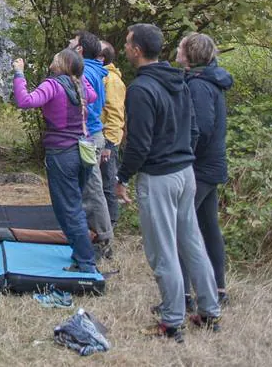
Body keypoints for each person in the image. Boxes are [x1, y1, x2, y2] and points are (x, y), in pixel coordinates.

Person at [116, 24, 222, 342]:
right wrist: (183, 155)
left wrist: (122, 177)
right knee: (191, 243)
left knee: (163, 250)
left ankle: (172, 321)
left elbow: (138, 144)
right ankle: (209, 312)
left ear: (137, 50)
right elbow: (192, 129)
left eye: (127, 43)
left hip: (160, 177)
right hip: (186, 173)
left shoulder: (141, 89)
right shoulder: (180, 81)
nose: (124, 47)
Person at [11, 49, 100, 274]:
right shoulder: (80, 86)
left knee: (68, 210)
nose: (53, 58)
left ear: (62, 64)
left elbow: (25, 101)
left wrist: (19, 74)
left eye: (56, 57)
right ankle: (81, 253)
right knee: (75, 205)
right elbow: (93, 96)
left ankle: (86, 262)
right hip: (85, 151)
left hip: (62, 153)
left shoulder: (53, 85)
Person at [176, 32, 232, 306]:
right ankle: (218, 290)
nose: (176, 50)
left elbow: (203, 128)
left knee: (181, 228)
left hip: (200, 167)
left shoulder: (198, 85)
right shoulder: (209, 80)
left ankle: (183, 296)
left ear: (190, 54)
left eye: (180, 47)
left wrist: (183, 154)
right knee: (209, 227)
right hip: (211, 164)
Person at [71, 31, 115, 260]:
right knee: (89, 187)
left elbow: (82, 104)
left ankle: (102, 240)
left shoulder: (85, 71)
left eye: (72, 40)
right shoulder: (95, 69)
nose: (69, 43)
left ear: (79, 49)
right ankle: (95, 236)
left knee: (92, 189)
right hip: (93, 134)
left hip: (87, 136)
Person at [99, 40, 126, 227]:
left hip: (107, 142)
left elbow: (115, 115)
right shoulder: (101, 76)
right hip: (97, 139)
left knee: (107, 184)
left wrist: (109, 144)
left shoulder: (113, 80)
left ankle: (111, 225)